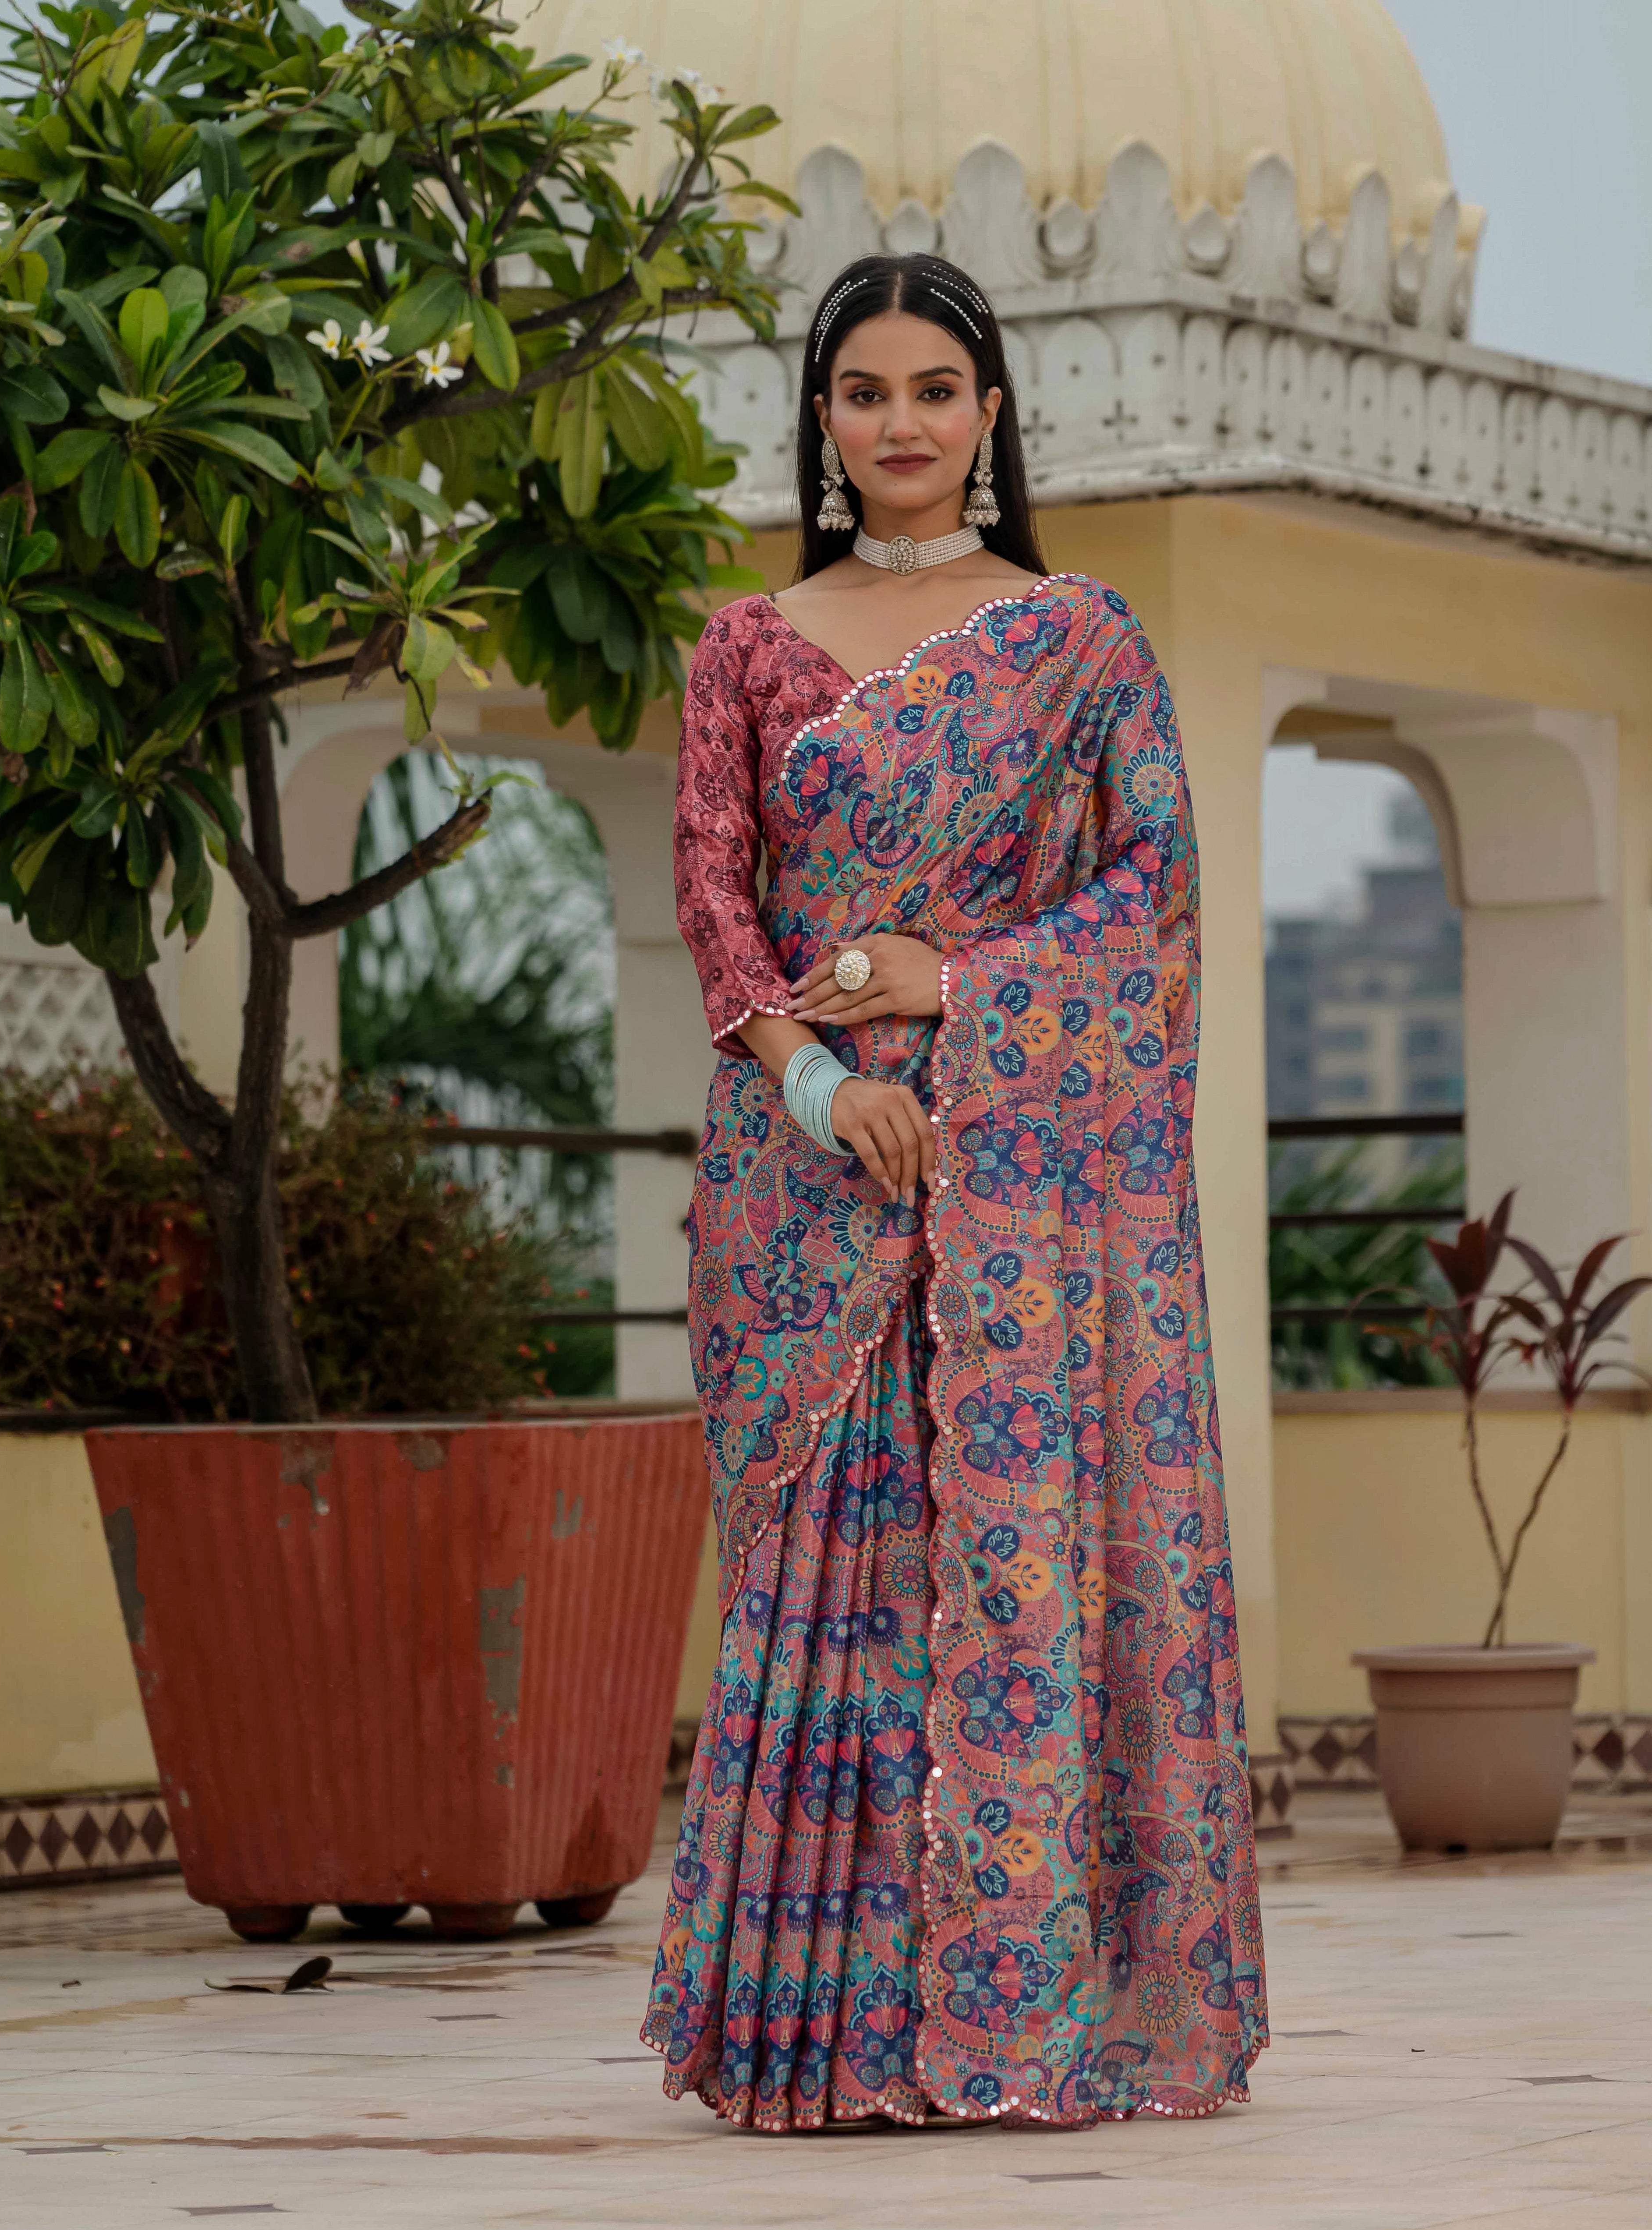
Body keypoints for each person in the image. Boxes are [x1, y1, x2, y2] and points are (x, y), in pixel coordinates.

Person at [642, 252, 1268, 2131]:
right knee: (826, 1571)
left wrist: (959, 987)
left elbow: (1148, 907)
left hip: (1021, 1210)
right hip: (806, 1182)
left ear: (989, 413)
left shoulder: (1078, 642)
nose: (899, 424)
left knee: (1002, 1568)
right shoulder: (749, 645)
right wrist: (821, 1078)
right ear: (820, 422)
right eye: (862, 392)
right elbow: (711, 901)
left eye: (933, 389)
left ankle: (1017, 2011)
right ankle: (811, 2035)